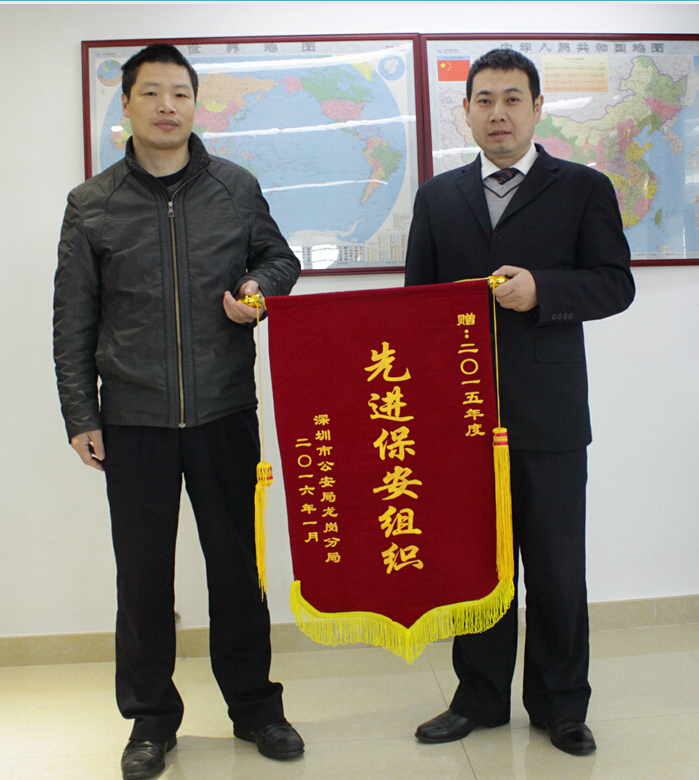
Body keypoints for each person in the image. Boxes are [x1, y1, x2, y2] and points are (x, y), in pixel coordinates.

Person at [53, 43, 304, 780]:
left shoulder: (234, 187)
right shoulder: (91, 203)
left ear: (195, 105)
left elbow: (281, 260)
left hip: (224, 410)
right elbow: (73, 318)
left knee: (237, 572)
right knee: (142, 579)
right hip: (134, 419)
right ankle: (150, 720)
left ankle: (255, 708)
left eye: (181, 94)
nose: (168, 106)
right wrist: (81, 414)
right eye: (152, 93)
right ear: (126, 105)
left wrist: (258, 288)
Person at [405, 49, 635, 756]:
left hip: (550, 414)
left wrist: (544, 291)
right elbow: (417, 308)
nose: (497, 113)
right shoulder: (437, 198)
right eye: (484, 100)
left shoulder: (583, 188)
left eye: (512, 99)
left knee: (557, 569)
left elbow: (615, 283)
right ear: (466, 112)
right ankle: (478, 698)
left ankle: (560, 706)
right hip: (463, 418)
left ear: (537, 108)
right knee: (476, 568)